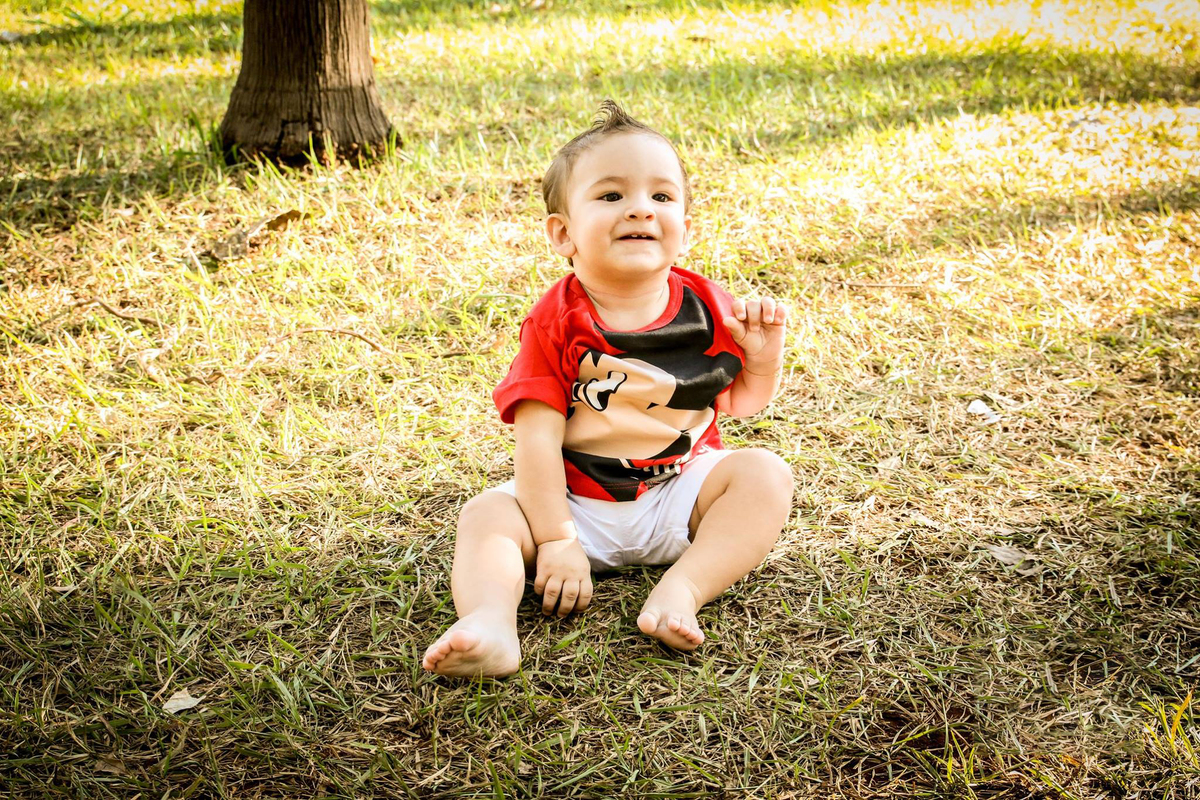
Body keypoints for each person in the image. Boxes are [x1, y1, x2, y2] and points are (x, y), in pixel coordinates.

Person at [422, 101, 794, 677]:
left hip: (677, 495)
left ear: (685, 229)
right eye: (612, 195)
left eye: (661, 196)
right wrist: (556, 540)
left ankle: (684, 588)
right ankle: (490, 622)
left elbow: (741, 404)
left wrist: (763, 361)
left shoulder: (708, 307)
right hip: (574, 506)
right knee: (487, 515)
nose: (640, 209)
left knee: (764, 474)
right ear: (563, 233)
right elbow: (537, 443)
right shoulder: (555, 323)